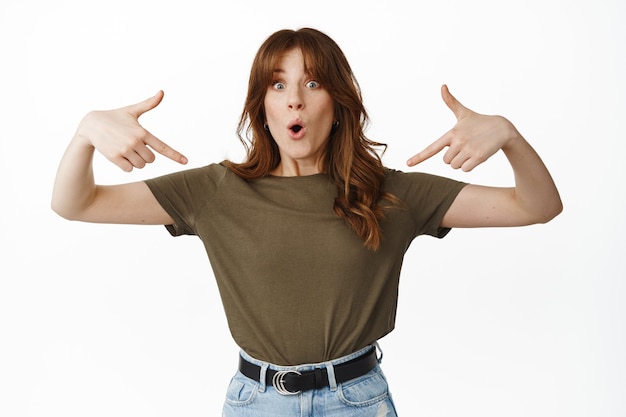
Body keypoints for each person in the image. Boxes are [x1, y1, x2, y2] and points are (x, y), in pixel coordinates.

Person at [51, 27, 562, 416]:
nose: (295, 98)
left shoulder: (390, 193)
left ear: (337, 103)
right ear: (263, 106)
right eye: (278, 85)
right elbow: (76, 204)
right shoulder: (214, 190)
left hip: (358, 401)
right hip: (256, 401)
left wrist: (510, 138)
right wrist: (85, 134)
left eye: (312, 82)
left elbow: (536, 207)